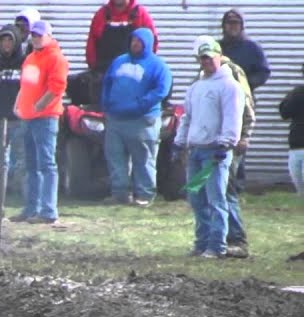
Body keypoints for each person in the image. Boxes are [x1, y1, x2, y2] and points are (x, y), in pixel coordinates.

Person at [174, 37, 244, 259]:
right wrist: (179, 141)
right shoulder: (196, 87)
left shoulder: (230, 86)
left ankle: (217, 245)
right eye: (202, 58)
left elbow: (233, 118)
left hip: (215, 151)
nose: (205, 62)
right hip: (196, 151)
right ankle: (201, 242)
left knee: (216, 199)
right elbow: (187, 117)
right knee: (196, 198)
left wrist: (226, 143)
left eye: (209, 57)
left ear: (218, 56)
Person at [101, 28, 172, 206]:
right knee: (115, 157)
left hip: (142, 121)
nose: (135, 44)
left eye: (139, 41)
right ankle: (120, 194)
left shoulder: (158, 66)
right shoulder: (119, 61)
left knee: (143, 159)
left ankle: (145, 195)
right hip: (116, 120)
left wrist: (139, 105)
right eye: (133, 40)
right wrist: (106, 103)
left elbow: (161, 91)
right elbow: (107, 82)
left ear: (148, 43)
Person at [218, 10, 270, 252]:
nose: (232, 27)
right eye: (229, 23)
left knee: (239, 144)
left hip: (243, 102)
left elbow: (264, 71)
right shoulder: (217, 48)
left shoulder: (251, 49)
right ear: (224, 26)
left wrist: (246, 82)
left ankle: (236, 185)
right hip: (218, 103)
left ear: (242, 26)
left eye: (236, 23)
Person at [12, 20, 68, 225]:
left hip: (45, 119)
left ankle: (48, 211)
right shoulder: (30, 58)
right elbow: (25, 85)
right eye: (33, 34)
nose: (35, 38)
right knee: (31, 165)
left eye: (39, 34)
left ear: (49, 36)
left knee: (46, 164)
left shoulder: (56, 58)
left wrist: (39, 106)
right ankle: (31, 208)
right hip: (27, 118)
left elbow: (57, 88)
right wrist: (18, 105)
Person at [0, 25, 26, 211]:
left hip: (19, 120)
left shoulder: (26, 63)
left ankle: (27, 204)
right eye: (3, 40)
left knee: (24, 162)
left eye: (10, 40)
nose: (6, 44)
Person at [86, 0, 158, 75]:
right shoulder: (101, 15)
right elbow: (91, 46)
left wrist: (144, 68)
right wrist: (95, 71)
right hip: (105, 74)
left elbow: (152, 43)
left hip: (134, 76)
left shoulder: (140, 14)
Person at [280, 63, 304, 195]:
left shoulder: (298, 93)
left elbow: (283, 111)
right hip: (297, 145)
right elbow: (284, 112)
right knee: (301, 192)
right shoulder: (298, 93)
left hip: (297, 145)